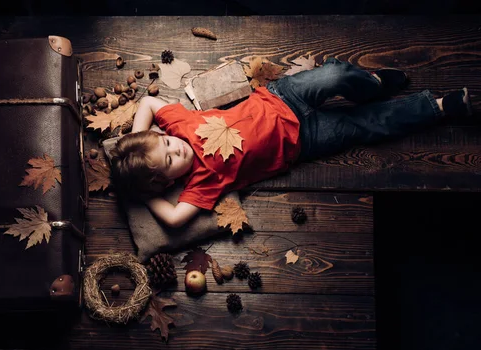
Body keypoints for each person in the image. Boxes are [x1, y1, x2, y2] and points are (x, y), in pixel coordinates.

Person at [109, 57, 474, 228]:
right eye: (170, 161)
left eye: (168, 144)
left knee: (335, 75)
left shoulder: (179, 125)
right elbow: (173, 219)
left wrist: (135, 137)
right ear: (168, 180)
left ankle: (373, 85)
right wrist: (146, 195)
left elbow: (147, 102)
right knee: (365, 126)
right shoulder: (202, 182)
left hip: (282, 97)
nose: (178, 150)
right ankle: (437, 107)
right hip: (303, 142)